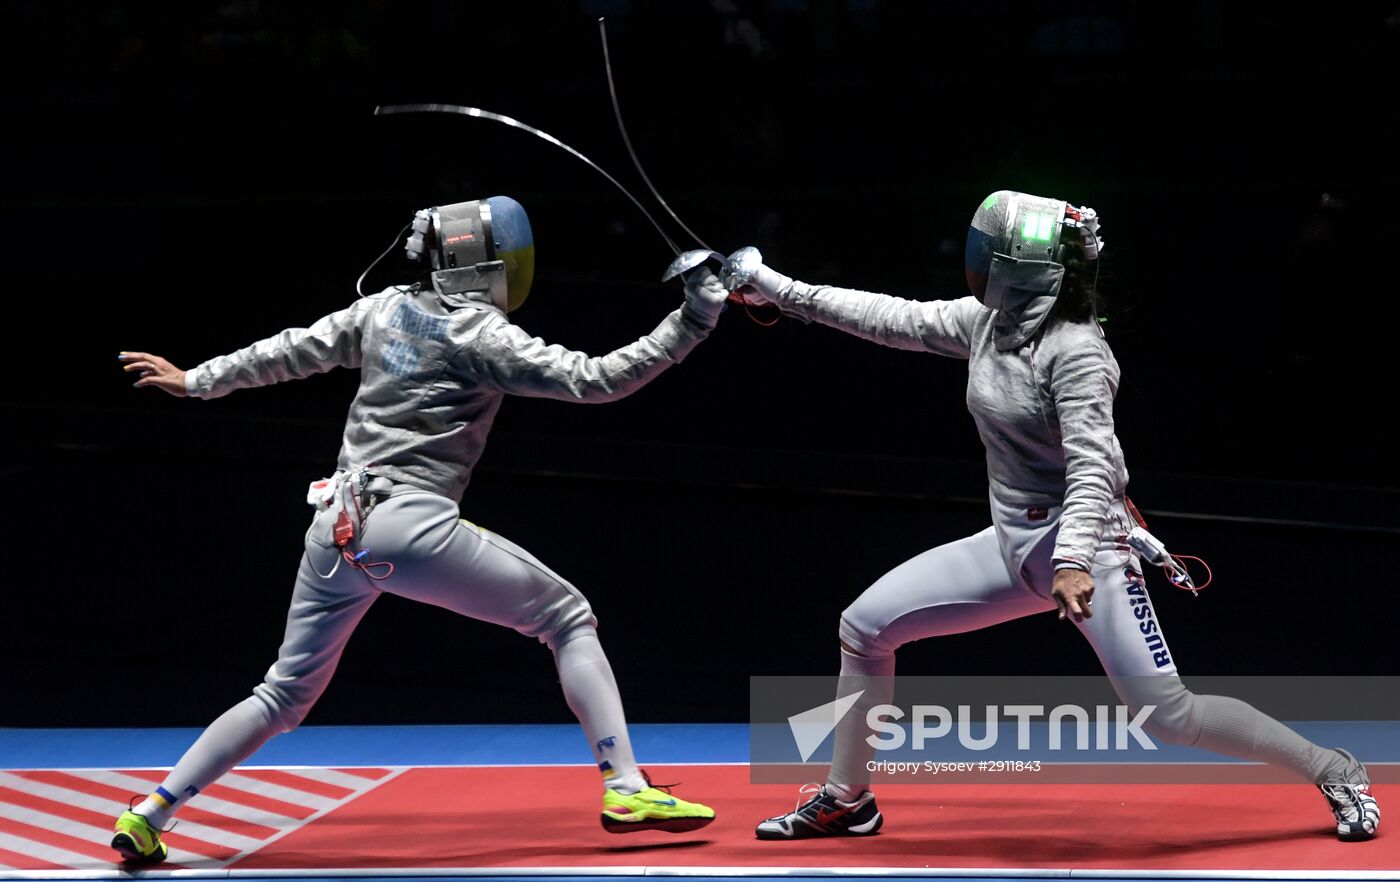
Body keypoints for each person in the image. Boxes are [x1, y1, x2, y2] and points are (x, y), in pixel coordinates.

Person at [730, 190, 1380, 842]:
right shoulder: (989, 322)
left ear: (1020, 269)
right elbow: (889, 317)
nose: (976, 262)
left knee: (1169, 716)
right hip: (1014, 546)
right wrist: (776, 288)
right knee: (865, 627)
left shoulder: (1077, 353)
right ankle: (847, 799)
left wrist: (1071, 561)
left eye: (989, 252)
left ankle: (1336, 769)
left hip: (1089, 553)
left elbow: (1094, 468)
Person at [111, 195, 725, 866]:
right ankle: (627, 788)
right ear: (487, 265)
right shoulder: (479, 334)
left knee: (283, 693)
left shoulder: (380, 310)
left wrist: (196, 380)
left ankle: (151, 812)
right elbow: (596, 379)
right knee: (567, 617)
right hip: (408, 523)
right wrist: (693, 319)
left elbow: (290, 350)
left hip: (336, 526)